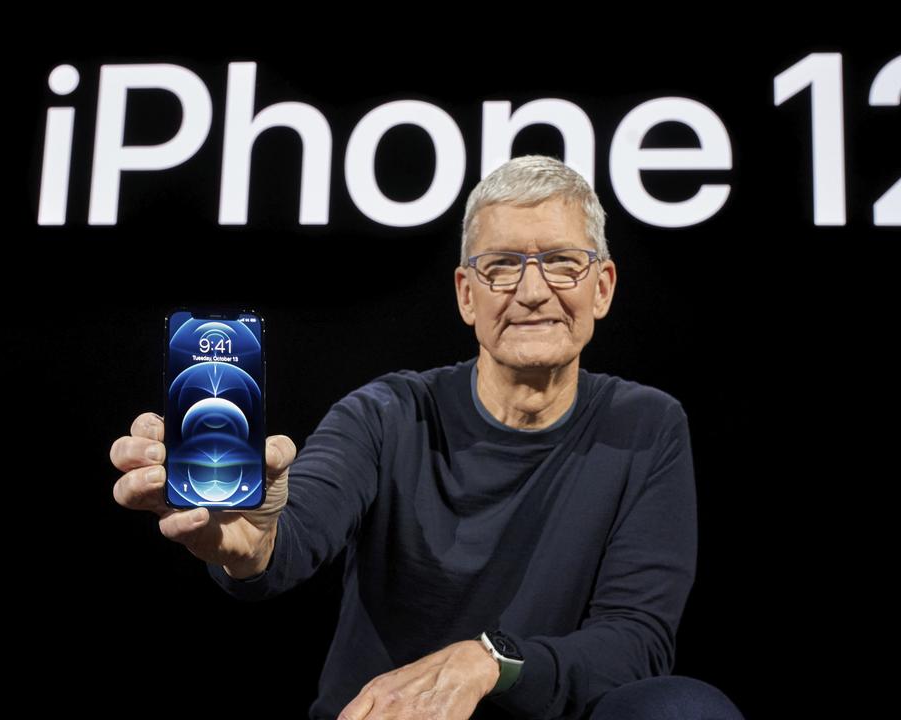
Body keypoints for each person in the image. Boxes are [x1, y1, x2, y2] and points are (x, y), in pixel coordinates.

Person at [110, 155, 745, 720]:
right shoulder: (388, 411)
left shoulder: (647, 424)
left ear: (601, 286)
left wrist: (489, 662)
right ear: (467, 295)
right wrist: (252, 541)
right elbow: (296, 528)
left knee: (683, 706)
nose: (530, 291)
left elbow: (636, 640)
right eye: (500, 267)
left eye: (560, 262)